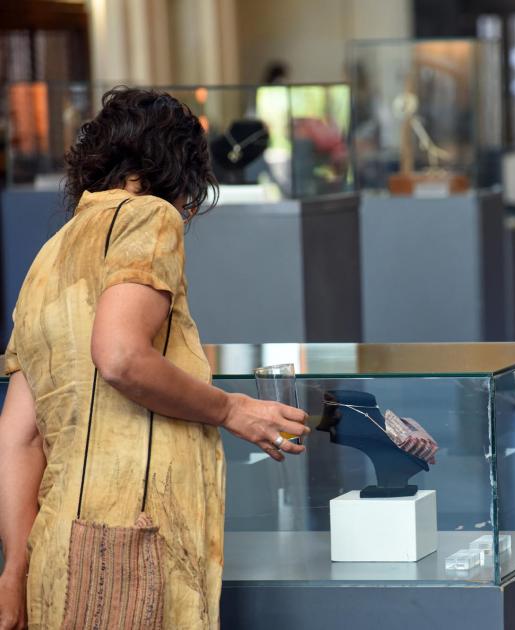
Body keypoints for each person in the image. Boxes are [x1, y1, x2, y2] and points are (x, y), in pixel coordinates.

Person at [0, 87, 310, 630]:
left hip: (56, 549)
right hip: (128, 547)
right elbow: (119, 356)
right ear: (179, 167)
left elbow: (18, 434)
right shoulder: (147, 216)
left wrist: (16, 564)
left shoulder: (47, 258)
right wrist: (231, 410)